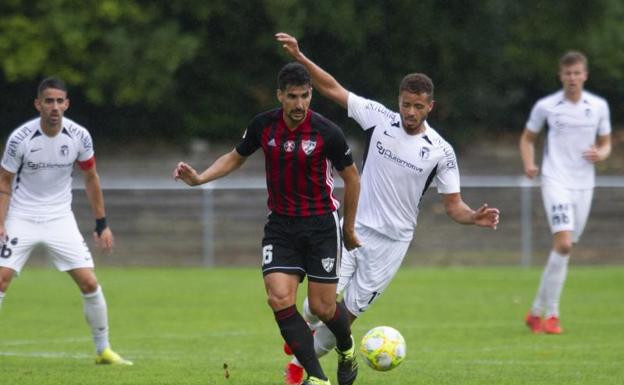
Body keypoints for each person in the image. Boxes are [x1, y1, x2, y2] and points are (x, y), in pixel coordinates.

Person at [275, 33, 500, 385]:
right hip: (352, 227)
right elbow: (334, 89)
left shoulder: (441, 151)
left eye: (418, 106)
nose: (410, 112)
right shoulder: (380, 119)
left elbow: (453, 206)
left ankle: (300, 367)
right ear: (399, 101)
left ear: (430, 107)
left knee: (344, 319)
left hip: (391, 245)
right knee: (319, 304)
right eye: (406, 104)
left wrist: (474, 217)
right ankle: (306, 327)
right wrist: (301, 58)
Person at [173, 62, 361, 385]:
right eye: (292, 97)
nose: (299, 104)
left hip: (321, 226)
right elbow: (236, 156)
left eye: (304, 96)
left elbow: (352, 178)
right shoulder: (264, 126)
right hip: (281, 226)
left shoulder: (327, 132)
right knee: (279, 299)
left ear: (311, 94)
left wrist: (348, 228)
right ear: (280, 96)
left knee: (323, 307)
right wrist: (201, 178)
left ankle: (346, 349)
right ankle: (318, 378)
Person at [0, 77, 132, 365]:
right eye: (49, 101)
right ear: (38, 104)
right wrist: (1, 221)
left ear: (67, 104)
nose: (55, 107)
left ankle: (104, 350)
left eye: (60, 101)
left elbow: (90, 177)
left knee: (89, 283)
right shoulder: (20, 139)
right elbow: (5, 181)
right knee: (1, 279)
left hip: (60, 218)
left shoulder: (79, 136)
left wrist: (101, 223)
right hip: (21, 216)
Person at [519, 51, 611, 334]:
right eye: (567, 74)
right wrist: (529, 163)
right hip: (555, 179)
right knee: (565, 244)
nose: (572, 78)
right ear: (561, 76)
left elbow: (606, 143)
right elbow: (527, 139)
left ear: (585, 75)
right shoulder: (547, 106)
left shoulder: (597, 106)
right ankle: (553, 316)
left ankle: (535, 312)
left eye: (577, 73)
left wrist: (601, 153)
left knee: (564, 249)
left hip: (584, 184)